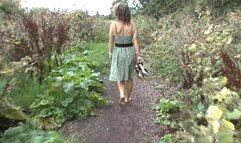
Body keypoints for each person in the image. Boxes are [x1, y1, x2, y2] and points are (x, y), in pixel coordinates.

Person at [108, 2, 143, 105]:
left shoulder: (113, 25)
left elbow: (110, 40)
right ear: (127, 12)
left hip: (118, 52)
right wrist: (138, 55)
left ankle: (122, 94)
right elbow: (136, 40)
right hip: (130, 52)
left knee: (120, 76)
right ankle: (127, 98)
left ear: (116, 12)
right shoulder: (132, 24)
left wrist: (110, 52)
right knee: (129, 77)